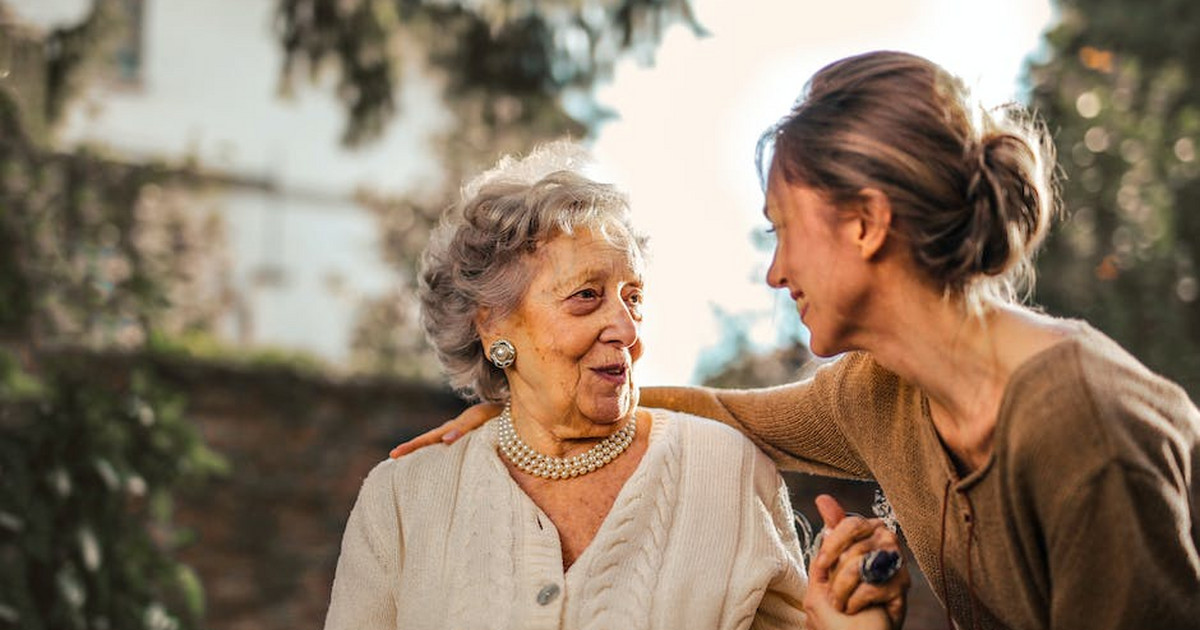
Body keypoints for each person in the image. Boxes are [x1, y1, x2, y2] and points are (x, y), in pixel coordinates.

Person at [392, 51, 1200, 630]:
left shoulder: (1083, 428)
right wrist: (531, 412)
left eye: (783, 231)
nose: (775, 273)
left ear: (865, 222)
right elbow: (725, 414)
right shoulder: (880, 392)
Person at [324, 142, 905, 629]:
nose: (627, 330)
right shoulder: (402, 500)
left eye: (634, 298)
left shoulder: (726, 470)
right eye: (586, 297)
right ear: (494, 323)